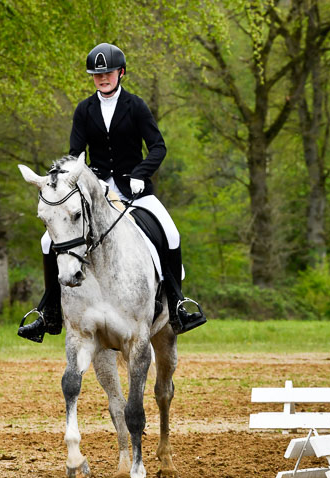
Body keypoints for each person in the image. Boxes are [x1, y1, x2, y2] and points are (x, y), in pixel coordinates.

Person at [18, 42, 207, 342]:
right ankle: (48, 312)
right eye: (97, 74)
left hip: (135, 190)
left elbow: (158, 147)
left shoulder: (136, 106)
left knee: (171, 233)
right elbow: (75, 155)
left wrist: (141, 174)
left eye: (108, 73)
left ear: (121, 73)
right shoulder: (84, 110)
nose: (102, 78)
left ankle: (178, 303)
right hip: (98, 193)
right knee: (46, 241)